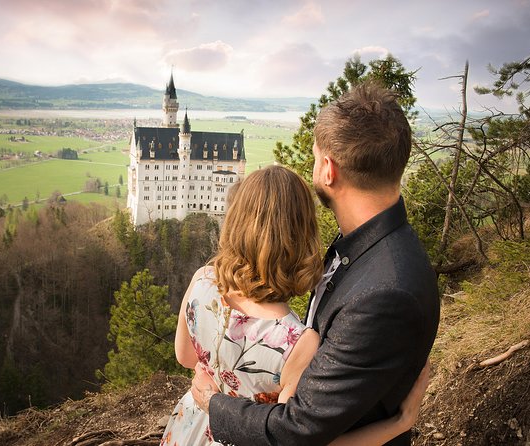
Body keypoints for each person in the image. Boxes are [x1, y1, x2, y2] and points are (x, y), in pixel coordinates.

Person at [192, 82, 440, 445]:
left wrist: (213, 404)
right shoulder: (365, 244)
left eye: (313, 157)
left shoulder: (387, 293)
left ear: (328, 169)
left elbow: (297, 430)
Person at [161, 165, 431, 446]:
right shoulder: (297, 343)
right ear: (302, 238)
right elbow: (296, 439)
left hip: (191, 425)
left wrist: (214, 386)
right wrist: (399, 424)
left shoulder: (202, 280)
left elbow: (185, 357)